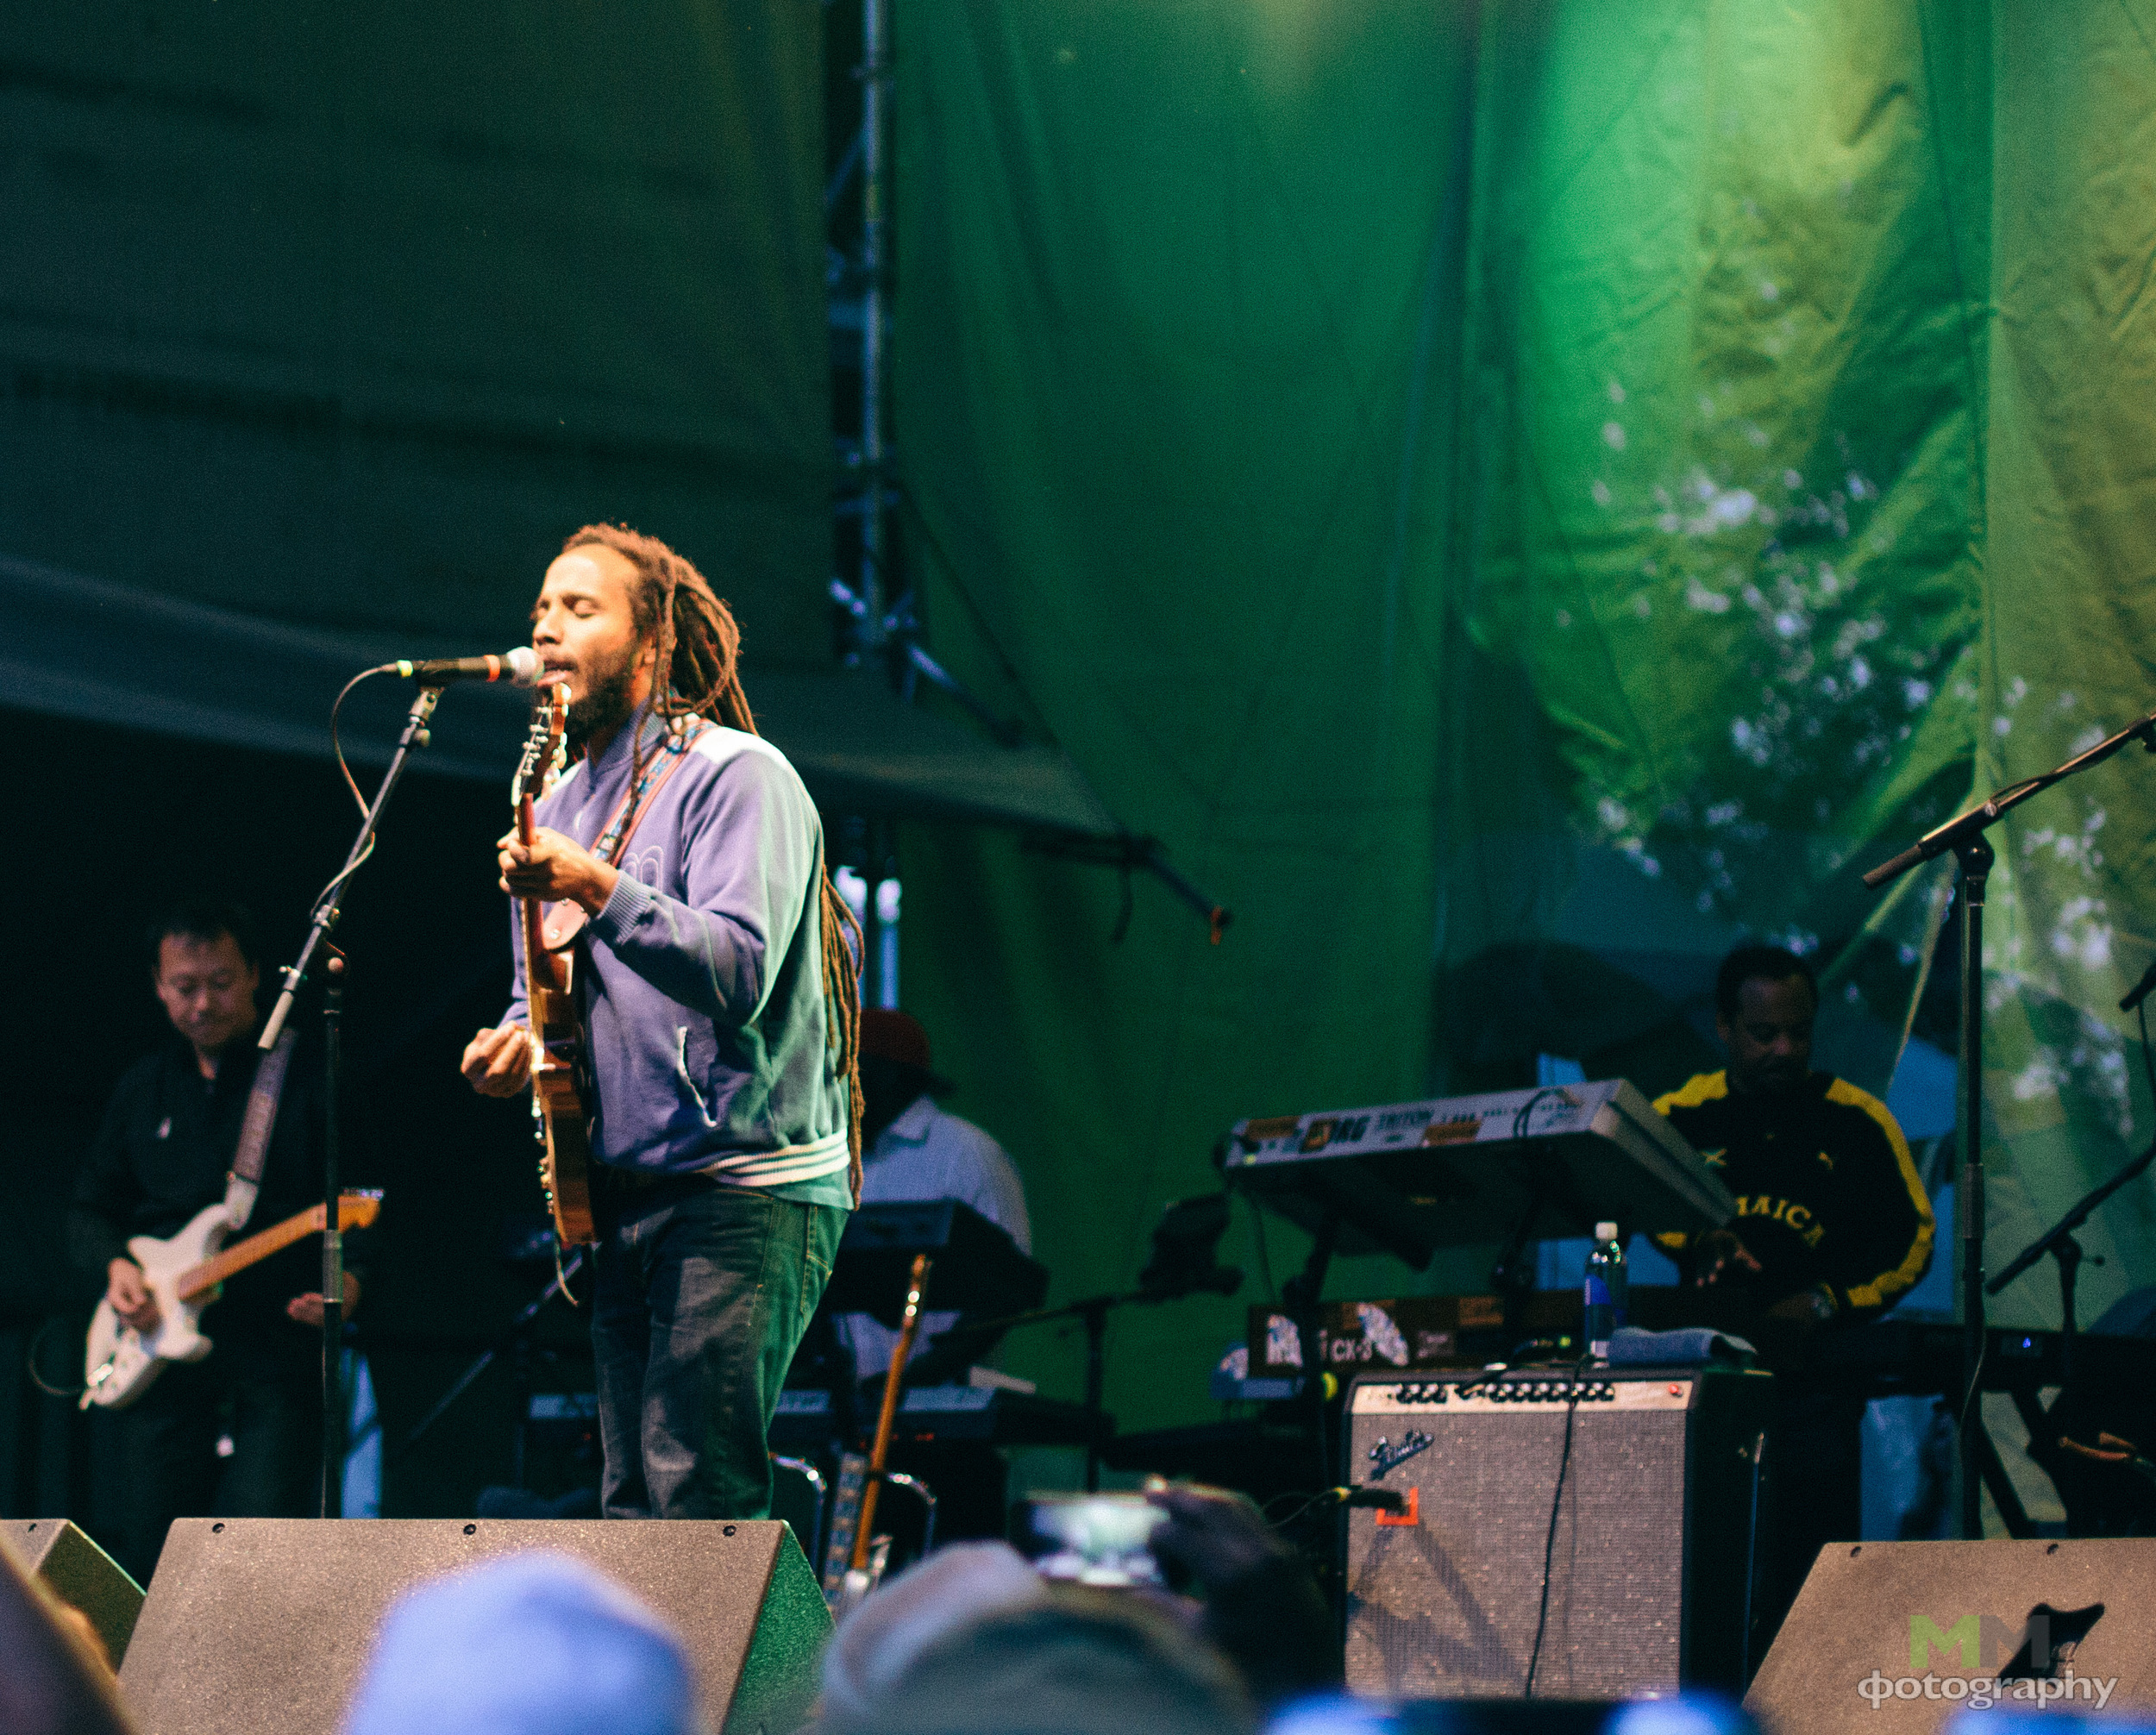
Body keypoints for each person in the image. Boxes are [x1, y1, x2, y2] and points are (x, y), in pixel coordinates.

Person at [460, 523, 862, 1522]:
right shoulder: (553, 799)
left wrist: (596, 882)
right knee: (631, 1500)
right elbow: (543, 983)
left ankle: (760, 1688)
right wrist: (516, 1036)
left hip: (739, 1183)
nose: (546, 629)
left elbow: (740, 970)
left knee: (697, 1490)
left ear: (650, 642)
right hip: (627, 1188)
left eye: (579, 608)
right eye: (540, 610)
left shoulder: (737, 774)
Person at [68, 899, 354, 1586]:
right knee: (152, 1551)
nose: (202, 1003)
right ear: (159, 986)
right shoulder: (143, 1088)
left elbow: (364, 1199)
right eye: (184, 986)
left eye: (220, 982)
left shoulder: (311, 1076)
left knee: (259, 1551)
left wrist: (352, 1285)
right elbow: (90, 1206)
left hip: (273, 1347)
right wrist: (115, 1269)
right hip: (160, 1357)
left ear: (258, 974)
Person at [1654, 943, 1934, 1632]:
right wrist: (1695, 1238)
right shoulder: (1679, 1116)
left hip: (1814, 1390)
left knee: (1811, 1587)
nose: (1784, 1049)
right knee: (1703, 1578)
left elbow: (1914, 1239)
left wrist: (1826, 1302)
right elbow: (1636, 1196)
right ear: (1723, 1027)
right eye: (1763, 1033)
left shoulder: (1858, 1121)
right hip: (1704, 1388)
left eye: (1799, 1031)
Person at [836, 1008, 1031, 1383]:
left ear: (888, 1077)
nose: (832, 1084)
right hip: (848, 1415)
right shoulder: (839, 1160)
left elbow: (1008, 1290)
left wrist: (912, 1379)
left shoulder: (968, 1154)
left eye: (848, 1069)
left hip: (938, 1408)